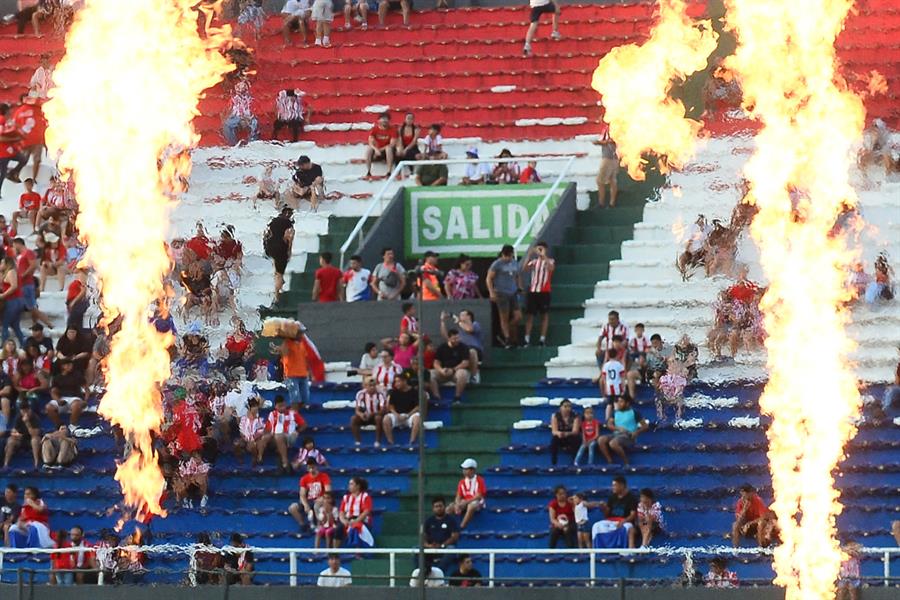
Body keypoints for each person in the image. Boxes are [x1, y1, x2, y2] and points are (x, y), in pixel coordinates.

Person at [486, 244, 522, 348]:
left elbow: (517, 275)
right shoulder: (497, 264)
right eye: (506, 256)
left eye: (509, 256)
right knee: (504, 317)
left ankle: (505, 331)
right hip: (501, 293)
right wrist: (491, 292)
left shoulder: (514, 263)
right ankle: (507, 338)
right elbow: (489, 278)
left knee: (518, 316)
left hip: (513, 292)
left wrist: (519, 286)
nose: (508, 258)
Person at [13, 237, 52, 330]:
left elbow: (33, 265)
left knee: (32, 308)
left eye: (14, 244)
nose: (14, 247)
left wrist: (23, 275)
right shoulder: (21, 254)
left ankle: (49, 324)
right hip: (23, 284)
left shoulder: (28, 252)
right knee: (32, 307)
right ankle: (35, 324)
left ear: (18, 243)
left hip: (27, 283)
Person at [597, 395, 648, 466]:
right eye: (618, 401)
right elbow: (609, 425)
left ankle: (626, 462)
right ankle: (609, 461)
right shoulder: (615, 413)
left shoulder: (634, 412)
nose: (618, 403)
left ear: (627, 403)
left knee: (613, 443)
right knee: (601, 439)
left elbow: (645, 426)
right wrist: (618, 428)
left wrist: (636, 432)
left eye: (621, 402)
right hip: (616, 434)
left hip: (628, 435)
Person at [592, 476, 638, 548]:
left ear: (622, 485)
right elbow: (607, 515)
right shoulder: (612, 497)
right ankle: (598, 551)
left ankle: (626, 552)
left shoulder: (631, 498)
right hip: (611, 521)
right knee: (596, 526)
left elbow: (633, 515)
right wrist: (604, 508)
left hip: (625, 521)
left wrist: (623, 521)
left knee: (627, 527)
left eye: (615, 485)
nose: (613, 487)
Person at [264, 395, 307, 473]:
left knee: (279, 436)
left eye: (283, 405)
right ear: (275, 406)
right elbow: (267, 428)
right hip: (275, 438)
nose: (282, 408)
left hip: (289, 437)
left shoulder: (293, 413)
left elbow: (304, 425)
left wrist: (297, 432)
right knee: (270, 437)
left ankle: (284, 460)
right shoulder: (272, 414)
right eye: (280, 406)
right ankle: (284, 463)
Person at [523, 241, 554, 346]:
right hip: (533, 291)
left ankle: (542, 339)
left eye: (541, 249)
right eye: (538, 249)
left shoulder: (549, 260)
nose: (539, 251)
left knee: (544, 315)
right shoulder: (534, 262)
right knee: (530, 316)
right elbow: (525, 268)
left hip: (544, 291)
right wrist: (529, 254)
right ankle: (526, 339)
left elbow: (551, 268)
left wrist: (544, 256)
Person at [289, 458, 332, 532]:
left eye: (313, 467)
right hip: (309, 500)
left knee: (317, 506)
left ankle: (320, 526)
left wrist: (322, 497)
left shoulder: (324, 476)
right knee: (292, 508)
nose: (311, 470)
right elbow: (302, 494)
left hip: (320, 500)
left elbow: (328, 491)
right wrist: (305, 505)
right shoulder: (304, 479)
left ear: (316, 466)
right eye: (309, 468)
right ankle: (302, 524)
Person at [430, 329, 472, 402]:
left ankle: (457, 397)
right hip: (444, 371)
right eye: (454, 339)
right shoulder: (442, 347)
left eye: (458, 338)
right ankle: (437, 397)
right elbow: (436, 362)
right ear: (449, 338)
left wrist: (453, 370)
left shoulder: (464, 347)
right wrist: (441, 370)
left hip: (456, 371)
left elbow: (465, 363)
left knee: (463, 374)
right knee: (430, 374)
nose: (457, 340)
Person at [263, 207, 294, 304]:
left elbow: (265, 234)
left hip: (270, 247)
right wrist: (289, 250)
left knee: (276, 265)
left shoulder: (273, 221)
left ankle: (280, 280)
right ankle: (276, 295)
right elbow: (289, 236)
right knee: (279, 273)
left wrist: (265, 247)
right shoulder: (288, 223)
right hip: (281, 248)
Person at [424, 496, 460, 573]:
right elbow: (424, 537)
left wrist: (442, 545)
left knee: (451, 549)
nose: (438, 508)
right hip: (432, 548)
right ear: (433, 508)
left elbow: (455, 536)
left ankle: (438, 573)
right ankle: (422, 573)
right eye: (436, 506)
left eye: (440, 506)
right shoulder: (429, 521)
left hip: (445, 548)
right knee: (417, 549)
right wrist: (428, 545)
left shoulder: (451, 520)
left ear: (444, 506)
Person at [384, 370, 421, 445]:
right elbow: (391, 407)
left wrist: (408, 415)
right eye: (395, 382)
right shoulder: (394, 392)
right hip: (397, 415)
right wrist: (397, 415)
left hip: (409, 415)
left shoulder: (414, 392)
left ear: (404, 381)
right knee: (386, 419)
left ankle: (412, 442)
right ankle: (390, 442)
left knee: (417, 419)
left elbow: (418, 407)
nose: (396, 384)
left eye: (398, 381)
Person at [47, 357, 85, 429]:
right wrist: (58, 400)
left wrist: (85, 400)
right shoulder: (57, 378)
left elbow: (86, 389)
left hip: (75, 398)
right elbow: (53, 391)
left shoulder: (77, 375)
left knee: (76, 405)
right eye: (68, 364)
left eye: (71, 364)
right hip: (62, 398)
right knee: (49, 407)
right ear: (63, 366)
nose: (71, 366)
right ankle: (59, 425)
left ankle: (73, 425)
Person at [335, 476, 373, 547]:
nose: (349, 486)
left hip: (362, 520)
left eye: (351, 484)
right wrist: (344, 521)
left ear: (358, 486)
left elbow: (366, 511)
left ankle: (357, 553)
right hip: (348, 520)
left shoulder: (365, 496)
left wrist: (356, 521)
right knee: (338, 529)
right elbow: (341, 512)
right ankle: (334, 554)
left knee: (356, 528)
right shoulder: (346, 497)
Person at [4, 399, 41, 469]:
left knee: (35, 440)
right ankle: (6, 464)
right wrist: (16, 434)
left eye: (26, 411)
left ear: (29, 409)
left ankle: (36, 464)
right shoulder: (18, 417)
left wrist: (27, 423)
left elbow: (34, 434)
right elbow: (13, 431)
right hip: (21, 438)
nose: (24, 413)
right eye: (22, 411)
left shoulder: (35, 417)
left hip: (31, 439)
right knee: (10, 440)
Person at [222, 78, 259, 146]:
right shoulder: (233, 99)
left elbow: (256, 110)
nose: (240, 88)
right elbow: (228, 111)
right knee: (226, 125)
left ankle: (253, 143)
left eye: (243, 85)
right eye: (238, 86)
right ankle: (233, 144)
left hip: (249, 117)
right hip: (237, 117)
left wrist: (249, 117)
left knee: (255, 122)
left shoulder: (252, 99)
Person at [451, 458, 486, 529]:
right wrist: (457, 504)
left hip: (477, 502)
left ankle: (461, 526)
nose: (464, 471)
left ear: (472, 470)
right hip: (465, 502)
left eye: (466, 469)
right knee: (450, 508)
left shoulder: (479, 480)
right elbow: (458, 495)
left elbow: (479, 496)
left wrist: (466, 502)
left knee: (471, 506)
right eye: (463, 469)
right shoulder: (462, 482)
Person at [351, 377, 386, 446]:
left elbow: (383, 410)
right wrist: (361, 415)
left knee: (378, 418)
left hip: (376, 415)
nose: (372, 387)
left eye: (374, 385)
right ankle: (358, 441)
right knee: (353, 419)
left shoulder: (380, 394)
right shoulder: (360, 394)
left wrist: (372, 414)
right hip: (365, 416)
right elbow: (357, 410)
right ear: (365, 386)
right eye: (370, 385)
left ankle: (377, 441)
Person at [0, 256, 26, 346]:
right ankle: (24, 344)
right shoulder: (7, 273)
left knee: (5, 324)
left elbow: (14, 286)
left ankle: (4, 345)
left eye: (2, 263)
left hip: (13, 301)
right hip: (15, 300)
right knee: (15, 326)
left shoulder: (11, 271)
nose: (0, 265)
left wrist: (3, 295)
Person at [238, 398, 270, 466]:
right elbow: (241, 431)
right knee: (237, 443)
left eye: (256, 406)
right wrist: (246, 438)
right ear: (250, 408)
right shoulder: (244, 418)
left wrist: (254, 438)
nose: (255, 408)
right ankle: (240, 460)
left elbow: (262, 430)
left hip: (256, 439)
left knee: (261, 441)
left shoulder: (260, 418)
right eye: (253, 406)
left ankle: (259, 458)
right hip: (246, 439)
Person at [593, 126, 619, 207]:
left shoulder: (613, 127)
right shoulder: (616, 126)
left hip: (608, 158)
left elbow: (611, 141)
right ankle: (612, 203)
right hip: (615, 158)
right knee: (612, 181)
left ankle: (601, 203)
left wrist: (598, 142)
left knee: (599, 181)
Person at [549, 398, 581, 465]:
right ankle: (554, 461)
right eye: (565, 406)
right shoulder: (555, 416)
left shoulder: (575, 416)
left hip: (570, 435)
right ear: (560, 407)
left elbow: (575, 431)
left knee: (576, 439)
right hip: (561, 435)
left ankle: (574, 460)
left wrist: (567, 434)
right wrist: (559, 433)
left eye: (569, 406)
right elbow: (554, 431)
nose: (567, 408)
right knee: (554, 439)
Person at [365, 112, 396, 178]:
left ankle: (389, 171)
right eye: (383, 119)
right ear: (378, 121)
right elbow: (370, 141)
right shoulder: (375, 129)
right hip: (377, 150)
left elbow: (392, 144)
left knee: (388, 149)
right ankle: (368, 171)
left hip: (386, 151)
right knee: (369, 149)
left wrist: (379, 150)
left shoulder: (392, 129)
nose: (384, 121)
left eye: (386, 119)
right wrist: (376, 149)